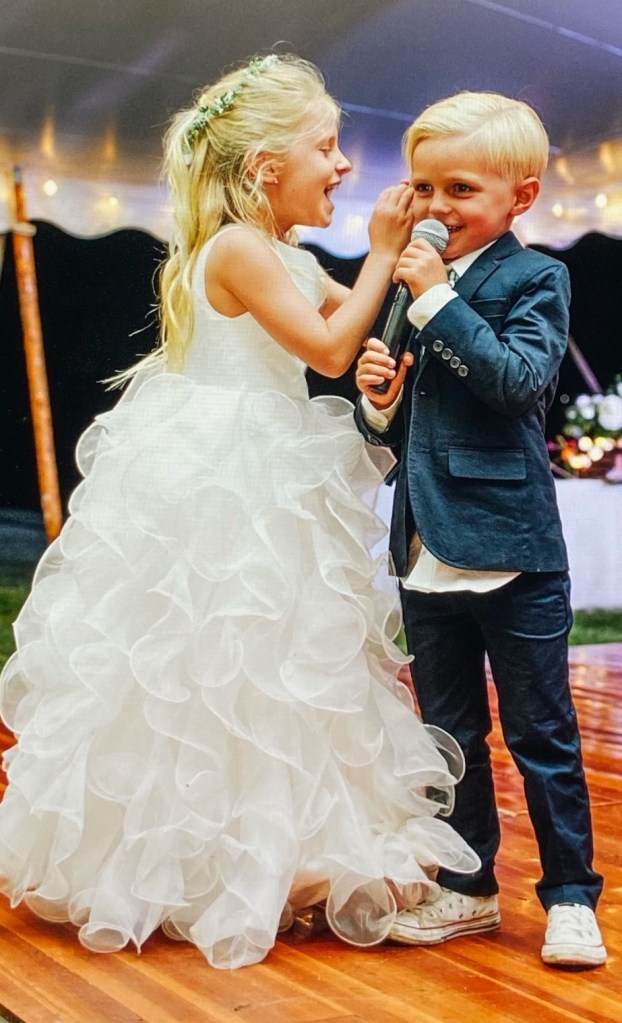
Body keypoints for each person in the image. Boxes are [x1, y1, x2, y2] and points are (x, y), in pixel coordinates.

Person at [0, 54, 479, 971]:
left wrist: (419, 275)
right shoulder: (235, 250)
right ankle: (202, 856)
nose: (343, 164)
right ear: (265, 166)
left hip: (271, 464)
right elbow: (331, 348)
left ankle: (283, 850)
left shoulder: (286, 255)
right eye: (326, 147)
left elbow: (365, 322)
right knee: (213, 656)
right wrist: (382, 253)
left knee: (280, 659)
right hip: (227, 473)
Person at [354, 91, 606, 968]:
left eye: (460, 188)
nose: (436, 206)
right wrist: (379, 403)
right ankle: (468, 887)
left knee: (542, 734)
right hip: (425, 546)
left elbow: (516, 385)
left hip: (510, 548)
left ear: (520, 196)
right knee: (450, 735)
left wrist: (435, 302)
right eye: (424, 187)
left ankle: (571, 895)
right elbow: (409, 426)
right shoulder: (415, 280)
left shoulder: (535, 279)